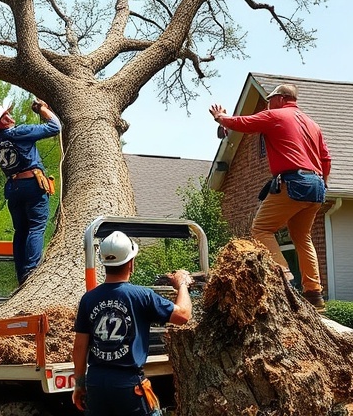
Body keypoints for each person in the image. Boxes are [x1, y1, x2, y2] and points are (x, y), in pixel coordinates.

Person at [208, 83, 331, 310]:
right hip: (316, 186)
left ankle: (284, 279)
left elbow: (243, 123)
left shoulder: (276, 115)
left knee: (261, 228)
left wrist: (221, 118)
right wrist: (321, 182)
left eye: (271, 98)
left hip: (294, 181)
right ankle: (315, 294)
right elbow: (326, 159)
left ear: (283, 99)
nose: (267, 102)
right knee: (302, 237)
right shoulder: (313, 124)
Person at [71, 231, 193, 415]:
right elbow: (183, 315)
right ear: (131, 263)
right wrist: (182, 284)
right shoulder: (141, 296)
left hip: (96, 382)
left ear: (105, 264)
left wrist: (79, 384)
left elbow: (79, 347)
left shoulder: (88, 299)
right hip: (127, 384)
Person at [0, 99, 61, 285]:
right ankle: (32, 271)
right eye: (6, 114)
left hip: (13, 188)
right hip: (31, 185)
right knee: (36, 227)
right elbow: (55, 127)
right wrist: (43, 109)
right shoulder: (19, 132)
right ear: (1, 121)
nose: (10, 116)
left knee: (21, 231)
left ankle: (22, 275)